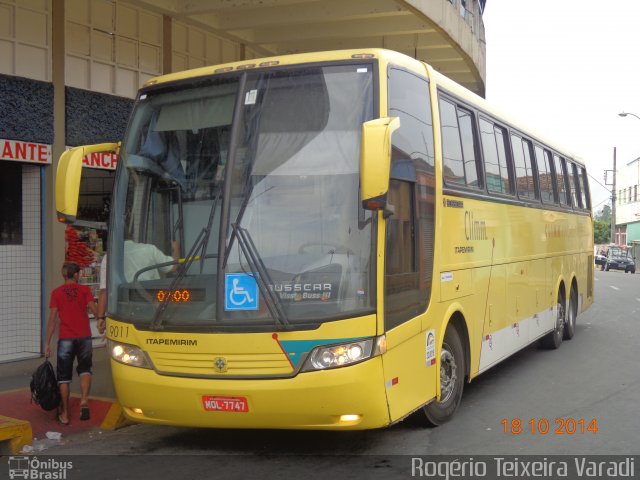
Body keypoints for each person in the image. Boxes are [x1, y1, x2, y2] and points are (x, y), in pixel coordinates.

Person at [45, 262, 98, 425]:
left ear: (64, 275)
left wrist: (47, 343)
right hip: (84, 337)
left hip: (66, 339)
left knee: (64, 378)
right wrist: (102, 321)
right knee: (85, 369)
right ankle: (83, 401)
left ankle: (65, 414)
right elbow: (95, 311)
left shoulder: (56, 293)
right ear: (75, 275)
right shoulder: (84, 290)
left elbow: (52, 320)